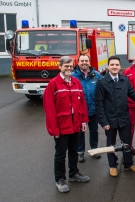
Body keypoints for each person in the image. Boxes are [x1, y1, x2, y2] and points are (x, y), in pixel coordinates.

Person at [95, 55, 135, 177]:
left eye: (117, 65)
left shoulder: (124, 80)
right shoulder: (102, 83)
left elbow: (132, 93)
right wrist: (103, 122)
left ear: (120, 67)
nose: (114, 67)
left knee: (127, 142)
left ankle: (128, 164)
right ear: (108, 66)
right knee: (111, 143)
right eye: (112, 65)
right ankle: (113, 166)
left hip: (124, 117)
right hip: (110, 119)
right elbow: (98, 104)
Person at [43, 56, 90, 193]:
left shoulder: (76, 83)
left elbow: (82, 104)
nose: (69, 68)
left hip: (75, 125)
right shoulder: (53, 84)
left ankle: (74, 173)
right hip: (61, 127)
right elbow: (50, 109)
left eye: (71, 66)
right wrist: (53, 129)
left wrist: (83, 121)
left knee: (74, 151)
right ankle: (60, 179)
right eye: (66, 66)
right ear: (60, 67)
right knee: (60, 154)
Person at [72, 54, 102, 162]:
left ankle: (94, 150)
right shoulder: (73, 76)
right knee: (80, 132)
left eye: (86, 60)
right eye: (82, 61)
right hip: (79, 111)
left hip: (94, 110)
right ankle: (80, 152)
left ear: (89, 62)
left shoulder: (97, 75)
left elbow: (102, 91)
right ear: (78, 62)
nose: (84, 63)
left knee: (94, 130)